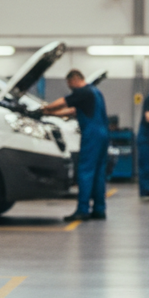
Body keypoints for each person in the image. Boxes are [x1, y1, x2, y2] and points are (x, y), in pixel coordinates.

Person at [42, 69, 110, 221]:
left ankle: (82, 209)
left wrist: (44, 109)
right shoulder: (95, 92)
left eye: (69, 84)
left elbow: (63, 102)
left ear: (73, 80)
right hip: (103, 135)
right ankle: (99, 209)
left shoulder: (82, 91)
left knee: (85, 172)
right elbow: (72, 111)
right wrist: (50, 114)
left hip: (92, 135)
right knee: (99, 173)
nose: (69, 87)